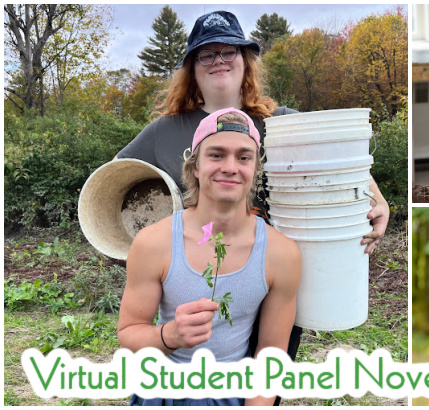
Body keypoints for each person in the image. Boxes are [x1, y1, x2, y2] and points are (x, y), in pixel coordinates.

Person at [116, 10, 389, 253]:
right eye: (206, 54)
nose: (218, 60)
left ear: (245, 62)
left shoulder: (280, 122)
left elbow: (343, 159)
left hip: (278, 272)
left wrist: (379, 202)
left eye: (229, 51)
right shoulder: (165, 130)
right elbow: (111, 183)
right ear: (192, 69)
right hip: (198, 277)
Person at [117, 108, 301, 405]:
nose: (230, 167)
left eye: (244, 157)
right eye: (216, 155)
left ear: (255, 169)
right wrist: (170, 336)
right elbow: (129, 334)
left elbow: (271, 353)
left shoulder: (281, 254)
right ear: (194, 167)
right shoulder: (153, 243)